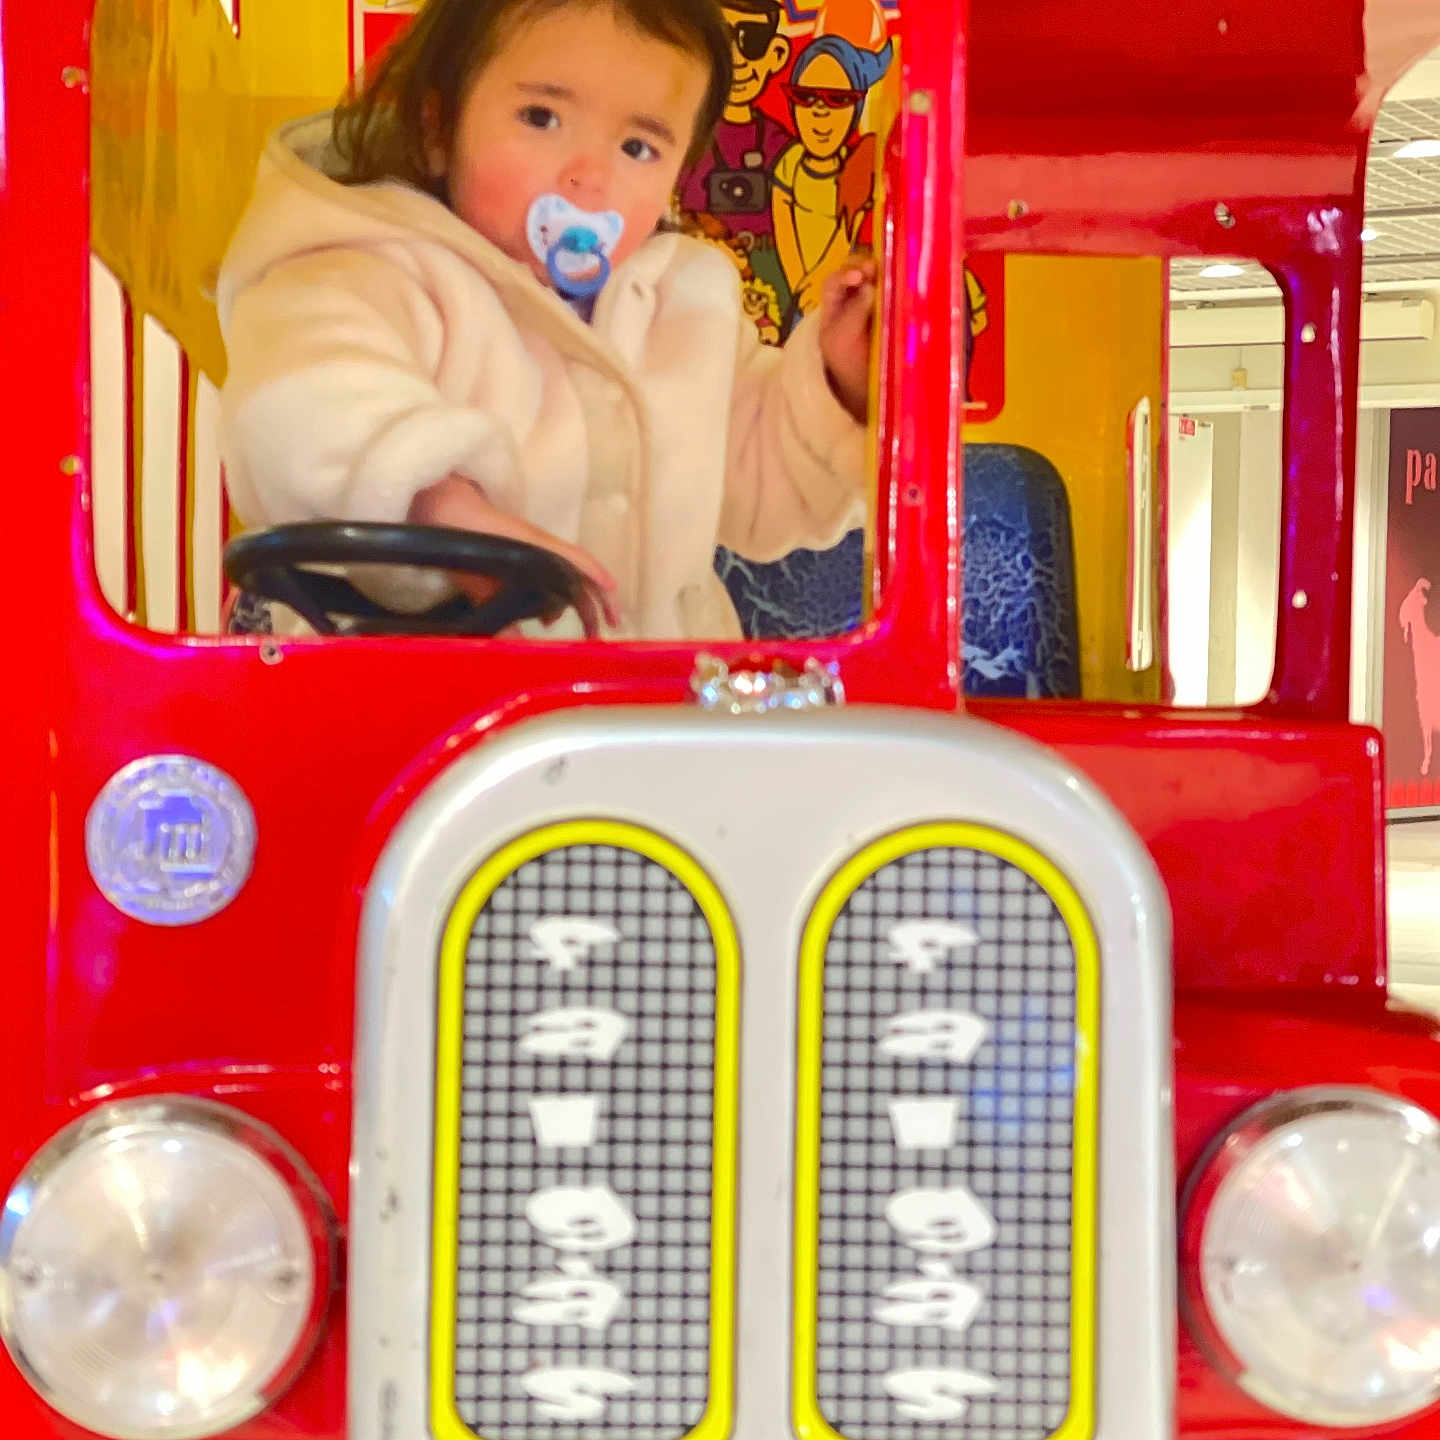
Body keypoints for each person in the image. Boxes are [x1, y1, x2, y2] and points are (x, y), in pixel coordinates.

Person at [217, 0, 875, 640]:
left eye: (639, 147)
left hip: (652, 693)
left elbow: (761, 484)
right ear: (438, 129)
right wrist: (437, 504)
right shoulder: (364, 266)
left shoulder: (686, 302)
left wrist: (836, 382)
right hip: (428, 690)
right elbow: (305, 397)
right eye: (542, 117)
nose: (590, 177)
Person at [674, 0, 794, 318]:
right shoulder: (679, 139)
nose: (737, 59)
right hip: (689, 295)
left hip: (770, 294)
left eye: (752, 41)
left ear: (776, 54)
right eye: (723, 41)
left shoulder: (783, 147)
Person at [770, 33, 890, 325]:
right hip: (799, 301)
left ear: (855, 110)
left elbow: (846, 235)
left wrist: (820, 289)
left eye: (837, 99)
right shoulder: (789, 164)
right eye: (805, 97)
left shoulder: (858, 169)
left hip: (837, 300)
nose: (819, 111)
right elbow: (784, 235)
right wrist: (801, 292)